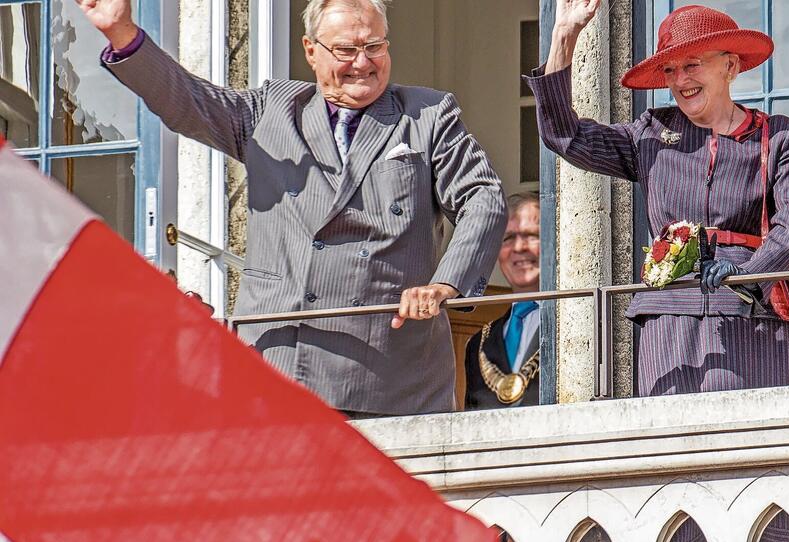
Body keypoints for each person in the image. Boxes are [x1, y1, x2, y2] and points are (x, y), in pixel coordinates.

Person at [79, 0, 507, 417]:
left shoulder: (428, 115)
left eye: (374, 46)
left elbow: (483, 198)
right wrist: (123, 34)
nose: (363, 63)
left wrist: (445, 285)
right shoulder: (273, 109)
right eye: (345, 50)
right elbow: (189, 101)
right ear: (310, 51)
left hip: (389, 374)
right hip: (279, 366)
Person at [527, 2, 789, 396]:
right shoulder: (650, 134)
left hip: (754, 319)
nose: (680, 80)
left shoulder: (780, 135)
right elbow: (566, 136)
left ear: (729, 67)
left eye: (692, 64)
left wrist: (751, 275)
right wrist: (564, 37)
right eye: (670, 69)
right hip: (669, 323)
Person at [464, 192, 541, 409]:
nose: (519, 248)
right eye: (508, 238)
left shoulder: (576, 323)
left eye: (532, 235)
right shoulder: (478, 344)